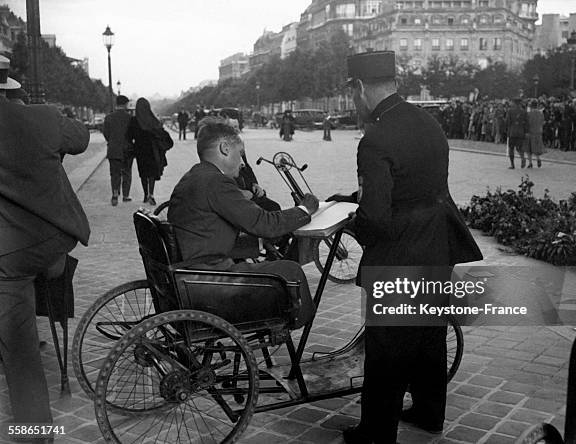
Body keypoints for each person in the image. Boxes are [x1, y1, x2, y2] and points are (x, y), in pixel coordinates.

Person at [331, 51, 482, 444]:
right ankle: (430, 413)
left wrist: (353, 221)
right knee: (429, 335)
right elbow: (418, 187)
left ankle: (376, 433)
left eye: (353, 93)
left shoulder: (375, 139)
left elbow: (377, 218)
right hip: (437, 243)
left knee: (387, 346)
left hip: (399, 252)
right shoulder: (428, 123)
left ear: (361, 88)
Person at [0, 56, 90, 442]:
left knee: (14, 338)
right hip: (45, 240)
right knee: (21, 349)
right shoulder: (40, 117)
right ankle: (35, 435)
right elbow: (82, 138)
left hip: (7, 251)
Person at [167, 120, 319, 328]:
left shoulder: (193, 176)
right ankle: (292, 326)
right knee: (290, 270)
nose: (243, 163)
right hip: (208, 281)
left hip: (189, 275)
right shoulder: (216, 182)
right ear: (224, 148)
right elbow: (265, 223)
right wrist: (304, 210)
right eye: (240, 154)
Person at [127, 97, 173, 206]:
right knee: (151, 173)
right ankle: (151, 194)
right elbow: (160, 132)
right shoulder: (153, 119)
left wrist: (134, 145)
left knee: (143, 173)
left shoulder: (134, 120)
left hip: (140, 150)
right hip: (152, 150)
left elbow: (129, 136)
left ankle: (145, 194)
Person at [103, 95, 134, 206]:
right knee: (127, 173)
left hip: (113, 149)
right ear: (125, 104)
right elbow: (132, 134)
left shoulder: (109, 117)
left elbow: (106, 133)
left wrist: (112, 141)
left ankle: (115, 194)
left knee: (114, 173)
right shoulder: (130, 118)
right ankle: (126, 195)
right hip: (127, 149)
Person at [506, 98, 528, 169]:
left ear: (514, 103)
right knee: (520, 148)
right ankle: (523, 158)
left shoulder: (510, 111)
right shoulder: (524, 112)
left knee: (511, 148)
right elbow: (526, 123)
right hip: (521, 132)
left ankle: (512, 164)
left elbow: (508, 122)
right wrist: (525, 131)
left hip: (512, 131)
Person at [525, 100, 546, 168]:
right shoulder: (540, 113)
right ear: (537, 105)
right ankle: (538, 159)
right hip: (538, 132)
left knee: (528, 148)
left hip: (530, 132)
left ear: (531, 106)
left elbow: (527, 123)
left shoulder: (529, 113)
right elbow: (543, 122)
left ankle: (530, 163)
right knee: (536, 147)